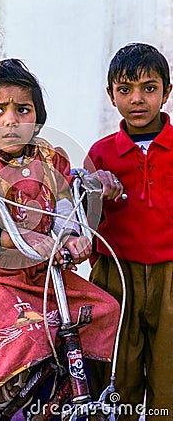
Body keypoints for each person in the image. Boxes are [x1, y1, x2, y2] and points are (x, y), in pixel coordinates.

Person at [0, 58, 121, 414]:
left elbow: (64, 206)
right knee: (26, 332)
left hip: (41, 271)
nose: (11, 120)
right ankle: (6, 394)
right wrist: (4, 240)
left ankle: (75, 387)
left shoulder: (50, 159)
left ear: (37, 117)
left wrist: (70, 235)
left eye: (23, 110)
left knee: (103, 308)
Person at [84, 43, 173, 420]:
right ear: (111, 95)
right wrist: (95, 190)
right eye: (125, 89)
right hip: (116, 277)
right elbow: (84, 220)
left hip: (171, 275)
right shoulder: (100, 154)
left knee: (169, 375)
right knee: (118, 374)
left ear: (167, 92)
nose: (137, 99)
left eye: (149, 88)